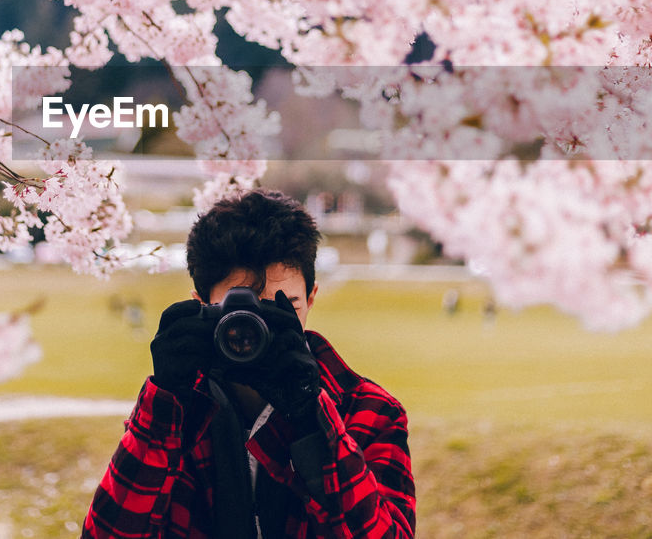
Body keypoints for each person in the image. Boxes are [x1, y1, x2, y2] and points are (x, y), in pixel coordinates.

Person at [82, 189, 416, 538]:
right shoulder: (180, 411)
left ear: (312, 297)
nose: (259, 331)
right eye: (243, 314)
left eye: (283, 310)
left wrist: (312, 423)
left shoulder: (370, 410)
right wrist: (164, 403)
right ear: (202, 305)